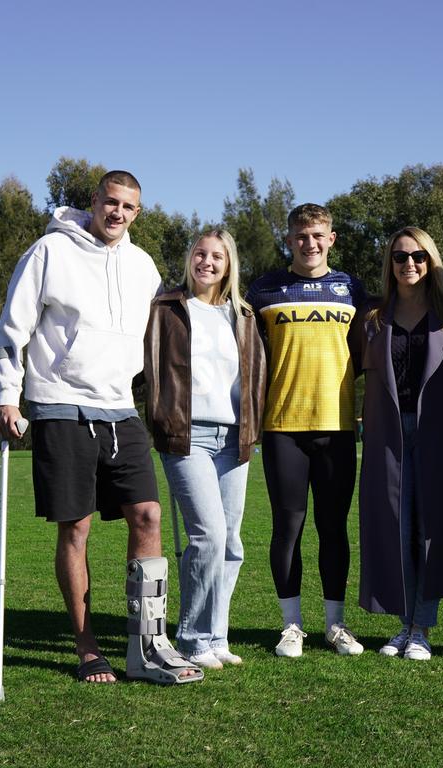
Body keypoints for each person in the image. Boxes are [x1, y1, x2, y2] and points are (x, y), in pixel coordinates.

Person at [0, 170, 202, 685]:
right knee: (77, 527)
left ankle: (147, 644)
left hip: (119, 408)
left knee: (149, 515)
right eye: (112, 203)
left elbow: (161, 334)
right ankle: (87, 649)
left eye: (129, 208)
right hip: (59, 404)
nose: (119, 214)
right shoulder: (49, 252)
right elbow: (10, 330)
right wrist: (7, 397)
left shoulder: (142, 264)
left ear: (138, 212)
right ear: (94, 201)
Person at [246, 203, 369, 658]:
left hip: (337, 427)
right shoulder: (263, 290)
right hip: (282, 428)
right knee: (288, 528)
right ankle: (292, 625)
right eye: (301, 237)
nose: (310, 244)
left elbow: (364, 353)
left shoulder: (351, 288)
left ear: (331, 238)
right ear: (289, 240)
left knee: (333, 528)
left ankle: (335, 625)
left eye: (318, 235)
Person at [143, 229, 267, 669]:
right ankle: (193, 637)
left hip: (235, 438)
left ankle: (217, 636)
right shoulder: (165, 309)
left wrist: (252, 428)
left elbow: (254, 376)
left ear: (229, 263)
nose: (207, 262)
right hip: (185, 435)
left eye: (217, 256)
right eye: (200, 253)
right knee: (208, 535)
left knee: (231, 543)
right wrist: (155, 414)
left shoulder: (244, 315)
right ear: (189, 259)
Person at [358, 227, 443, 661]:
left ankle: (422, 626)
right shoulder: (372, 317)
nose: (410, 264)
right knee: (395, 528)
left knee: (431, 531)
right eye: (401, 256)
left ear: (432, 261)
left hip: (438, 435)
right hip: (387, 435)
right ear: (390, 263)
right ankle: (403, 624)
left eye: (419, 256)